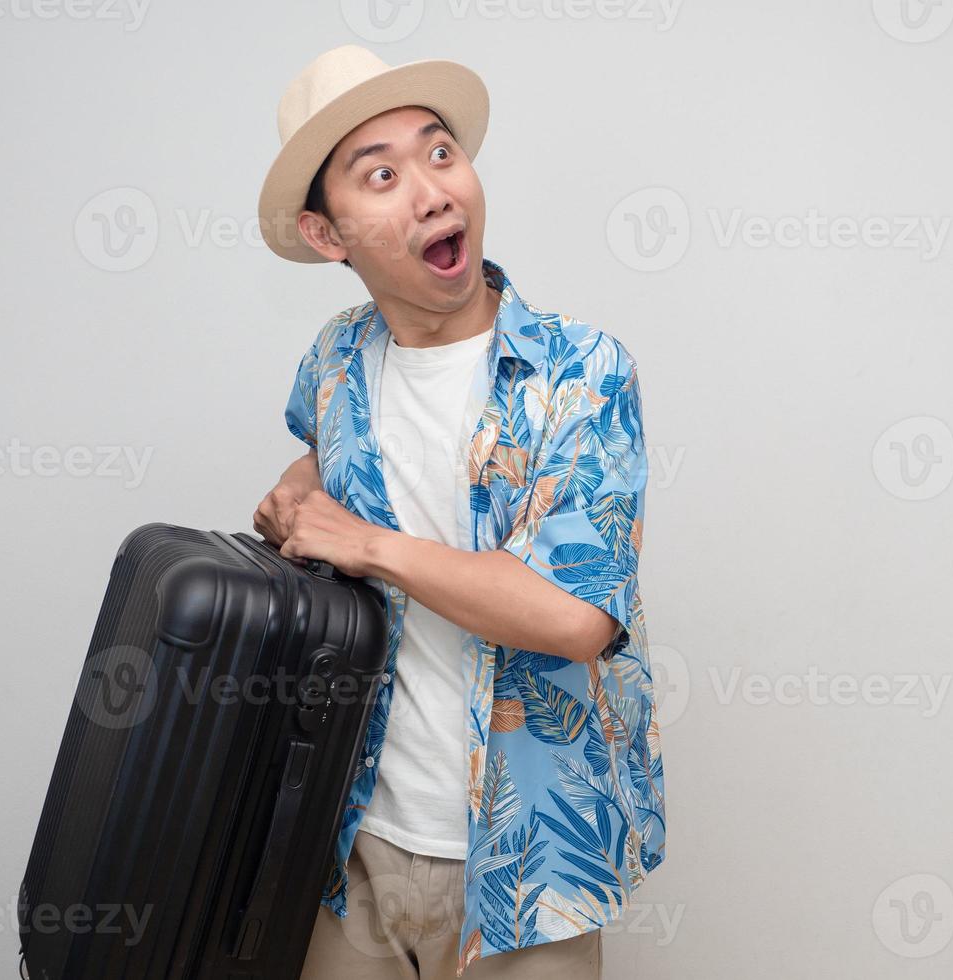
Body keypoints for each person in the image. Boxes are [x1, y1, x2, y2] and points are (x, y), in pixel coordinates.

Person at [251, 45, 666, 978]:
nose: (433, 192)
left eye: (441, 155)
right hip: (350, 840)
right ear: (329, 236)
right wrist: (296, 497)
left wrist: (366, 545)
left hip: (530, 860)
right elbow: (328, 452)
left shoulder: (581, 374)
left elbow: (572, 618)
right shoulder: (337, 359)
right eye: (384, 175)